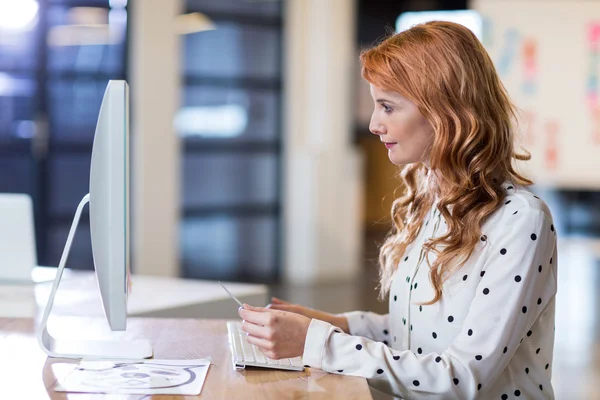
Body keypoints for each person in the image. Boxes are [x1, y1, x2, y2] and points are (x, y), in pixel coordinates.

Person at [238, 20, 557, 399]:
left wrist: (319, 343)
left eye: (388, 106)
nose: (374, 124)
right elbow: (417, 331)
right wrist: (329, 323)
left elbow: (461, 379)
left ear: (447, 112)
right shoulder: (432, 203)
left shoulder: (521, 220)